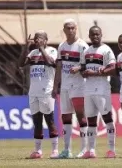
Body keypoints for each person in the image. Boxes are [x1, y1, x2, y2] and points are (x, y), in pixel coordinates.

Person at [53, 19, 89, 159]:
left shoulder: (82, 46)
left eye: (73, 28)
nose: (71, 30)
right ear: (64, 30)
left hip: (79, 85)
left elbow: (89, 64)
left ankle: (84, 149)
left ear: (76, 29)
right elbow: (59, 67)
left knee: (81, 116)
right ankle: (67, 150)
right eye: (68, 28)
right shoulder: (61, 46)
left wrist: (79, 67)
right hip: (65, 86)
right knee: (65, 117)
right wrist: (56, 86)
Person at [20, 31, 59, 159]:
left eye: (40, 38)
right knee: (37, 122)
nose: (37, 40)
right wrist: (25, 47)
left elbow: (50, 62)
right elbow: (20, 64)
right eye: (36, 39)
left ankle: (55, 150)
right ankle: (38, 151)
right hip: (33, 92)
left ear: (46, 40)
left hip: (46, 91)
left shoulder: (52, 51)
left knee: (50, 120)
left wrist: (42, 48)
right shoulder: (32, 53)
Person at [80, 26, 117, 159]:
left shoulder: (106, 50)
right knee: (91, 120)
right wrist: (82, 72)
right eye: (92, 35)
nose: (95, 37)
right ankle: (91, 151)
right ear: (89, 36)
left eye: (97, 34)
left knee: (107, 119)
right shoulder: (87, 51)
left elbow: (113, 68)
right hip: (88, 89)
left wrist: (95, 72)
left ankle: (111, 150)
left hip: (102, 89)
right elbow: (83, 67)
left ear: (101, 34)